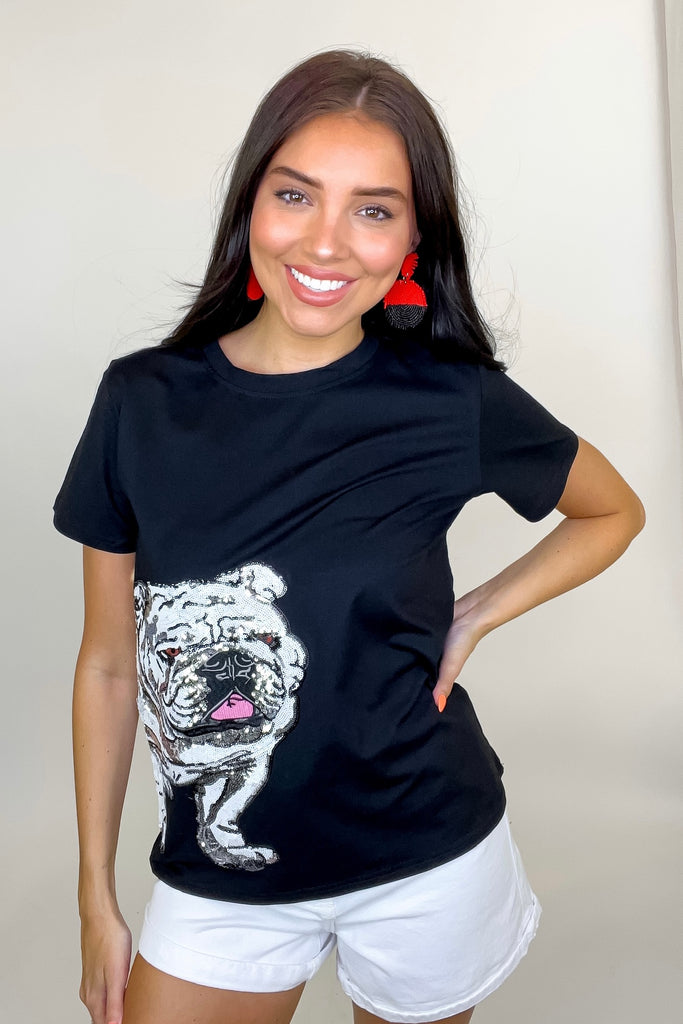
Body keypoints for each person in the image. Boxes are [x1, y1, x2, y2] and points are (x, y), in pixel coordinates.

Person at [53, 48, 645, 1024]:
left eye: (372, 210)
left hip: (427, 856)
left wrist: (475, 614)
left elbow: (612, 509)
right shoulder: (140, 404)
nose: (325, 244)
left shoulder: (451, 400)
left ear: (412, 237)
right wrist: (93, 893)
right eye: (295, 195)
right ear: (250, 204)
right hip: (218, 869)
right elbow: (110, 666)